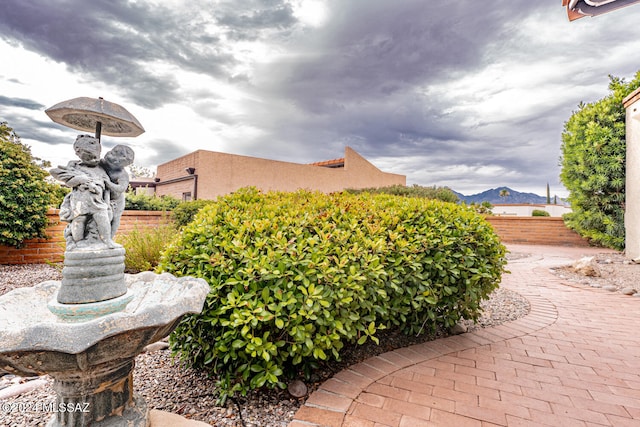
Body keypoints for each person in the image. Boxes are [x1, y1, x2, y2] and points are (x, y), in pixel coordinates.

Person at [50, 135, 117, 250]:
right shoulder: (75, 167)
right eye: (89, 157)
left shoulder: (100, 169)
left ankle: (107, 240)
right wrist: (80, 179)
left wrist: (106, 200)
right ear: (78, 153)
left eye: (96, 156)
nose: (94, 160)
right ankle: (78, 241)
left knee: (103, 217)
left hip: (97, 200)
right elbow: (68, 183)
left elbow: (106, 187)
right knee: (79, 220)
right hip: (80, 200)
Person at [100, 144, 135, 238]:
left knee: (115, 218)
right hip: (102, 197)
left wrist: (108, 183)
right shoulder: (103, 163)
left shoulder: (123, 174)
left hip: (117, 200)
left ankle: (110, 238)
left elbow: (121, 188)